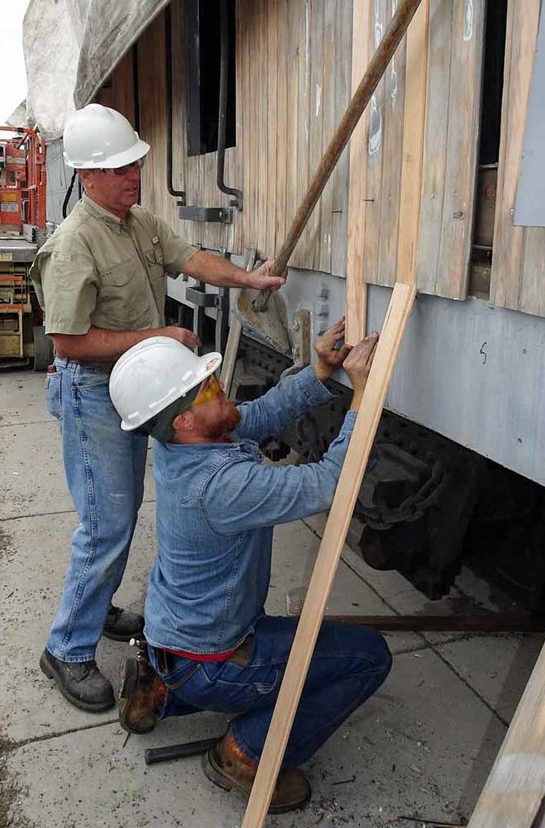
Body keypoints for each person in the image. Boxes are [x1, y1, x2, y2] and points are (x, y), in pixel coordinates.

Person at [30, 104, 284, 712]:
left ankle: (99, 601)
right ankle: (66, 648)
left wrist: (247, 280)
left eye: (135, 164)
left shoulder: (138, 222)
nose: (132, 176)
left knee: (121, 513)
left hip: (135, 387)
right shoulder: (74, 244)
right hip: (94, 392)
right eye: (118, 170)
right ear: (87, 175)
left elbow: (190, 258)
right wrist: (155, 338)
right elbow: (67, 342)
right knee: (107, 522)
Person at [109, 321, 391, 814]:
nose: (224, 390)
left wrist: (320, 371)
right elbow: (331, 482)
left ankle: (160, 688)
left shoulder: (179, 444)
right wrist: (362, 396)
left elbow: (254, 415)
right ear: (185, 420)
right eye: (210, 388)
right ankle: (246, 753)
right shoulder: (221, 486)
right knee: (369, 656)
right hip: (211, 658)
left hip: (172, 635)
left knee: (308, 651)